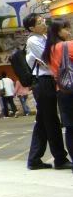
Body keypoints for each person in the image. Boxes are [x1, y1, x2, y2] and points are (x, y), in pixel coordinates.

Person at [23, 13, 70, 170]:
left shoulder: (43, 37)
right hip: (43, 82)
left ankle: (34, 159)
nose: (44, 23)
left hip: (48, 81)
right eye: (39, 22)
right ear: (31, 28)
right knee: (51, 121)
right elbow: (49, 57)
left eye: (43, 20)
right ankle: (60, 159)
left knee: (43, 122)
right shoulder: (33, 40)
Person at [42, 18, 73, 170]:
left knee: (70, 128)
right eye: (65, 28)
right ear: (57, 31)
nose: (69, 31)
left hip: (62, 90)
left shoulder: (49, 50)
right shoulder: (68, 45)